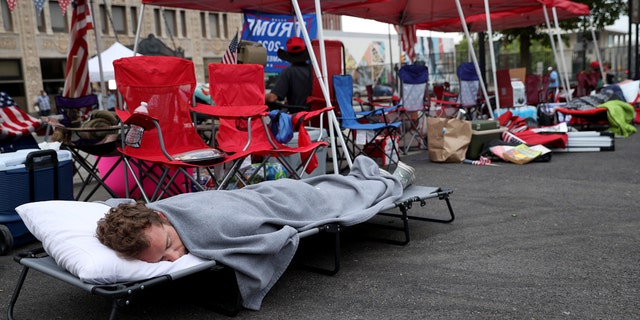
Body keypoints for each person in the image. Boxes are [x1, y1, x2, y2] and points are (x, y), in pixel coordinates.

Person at [95, 156, 414, 310]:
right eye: (162, 259)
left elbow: (278, 236)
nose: (174, 256)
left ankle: (387, 179)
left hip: (290, 201)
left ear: (160, 216)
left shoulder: (199, 225)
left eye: (169, 244)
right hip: (264, 193)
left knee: (341, 196)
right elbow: (122, 208)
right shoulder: (151, 216)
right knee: (328, 185)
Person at [265, 36, 313, 108]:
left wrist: (258, 97)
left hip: (297, 115)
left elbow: (272, 98)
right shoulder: (314, 71)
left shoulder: (289, 72)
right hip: (316, 114)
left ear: (288, 58)